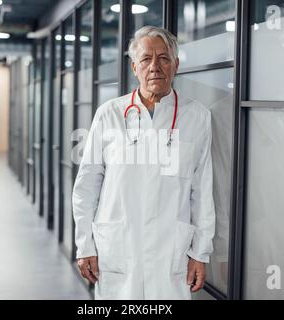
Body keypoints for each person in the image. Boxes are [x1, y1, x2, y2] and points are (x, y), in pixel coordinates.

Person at [72, 26, 215, 300]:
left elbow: (203, 191)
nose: (155, 67)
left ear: (176, 65)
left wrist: (201, 252)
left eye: (163, 58)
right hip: (118, 250)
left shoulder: (197, 118)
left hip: (171, 255)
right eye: (146, 59)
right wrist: (85, 246)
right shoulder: (109, 115)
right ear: (134, 66)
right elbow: (86, 187)